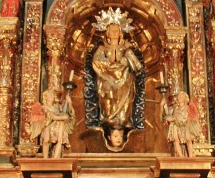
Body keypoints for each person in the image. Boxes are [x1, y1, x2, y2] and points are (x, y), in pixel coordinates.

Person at [87, 10, 143, 142]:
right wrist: (109, 71)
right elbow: (96, 63)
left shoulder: (127, 49)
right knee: (108, 105)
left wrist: (127, 58)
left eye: (117, 30)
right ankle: (109, 120)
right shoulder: (102, 49)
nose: (114, 33)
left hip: (125, 82)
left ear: (121, 33)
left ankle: (123, 123)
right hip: (108, 83)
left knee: (124, 110)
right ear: (107, 33)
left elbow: (137, 66)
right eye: (112, 30)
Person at [29, 85, 75, 158]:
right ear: (46, 97)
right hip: (48, 125)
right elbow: (50, 116)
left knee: (60, 140)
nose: (52, 96)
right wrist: (62, 117)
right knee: (46, 140)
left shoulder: (57, 107)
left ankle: (55, 158)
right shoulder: (43, 107)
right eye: (50, 95)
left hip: (59, 125)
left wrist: (69, 103)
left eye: (53, 95)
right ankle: (45, 158)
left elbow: (67, 112)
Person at [161, 90, 202, 157]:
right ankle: (181, 156)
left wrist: (173, 119)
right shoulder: (175, 108)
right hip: (176, 126)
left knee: (188, 140)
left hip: (185, 126)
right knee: (175, 140)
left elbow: (185, 117)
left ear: (185, 98)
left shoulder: (187, 108)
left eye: (182, 96)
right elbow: (166, 115)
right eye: (179, 96)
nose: (180, 97)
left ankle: (191, 156)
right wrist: (162, 106)